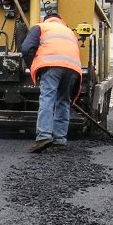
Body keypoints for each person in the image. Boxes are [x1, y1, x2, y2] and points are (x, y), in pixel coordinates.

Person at [20, 12, 82, 153]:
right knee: (63, 101)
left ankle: (43, 136)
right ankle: (60, 140)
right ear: (61, 21)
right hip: (73, 68)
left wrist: (33, 66)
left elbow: (26, 48)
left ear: (46, 20)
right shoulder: (69, 31)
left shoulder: (41, 27)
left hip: (52, 66)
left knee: (47, 98)